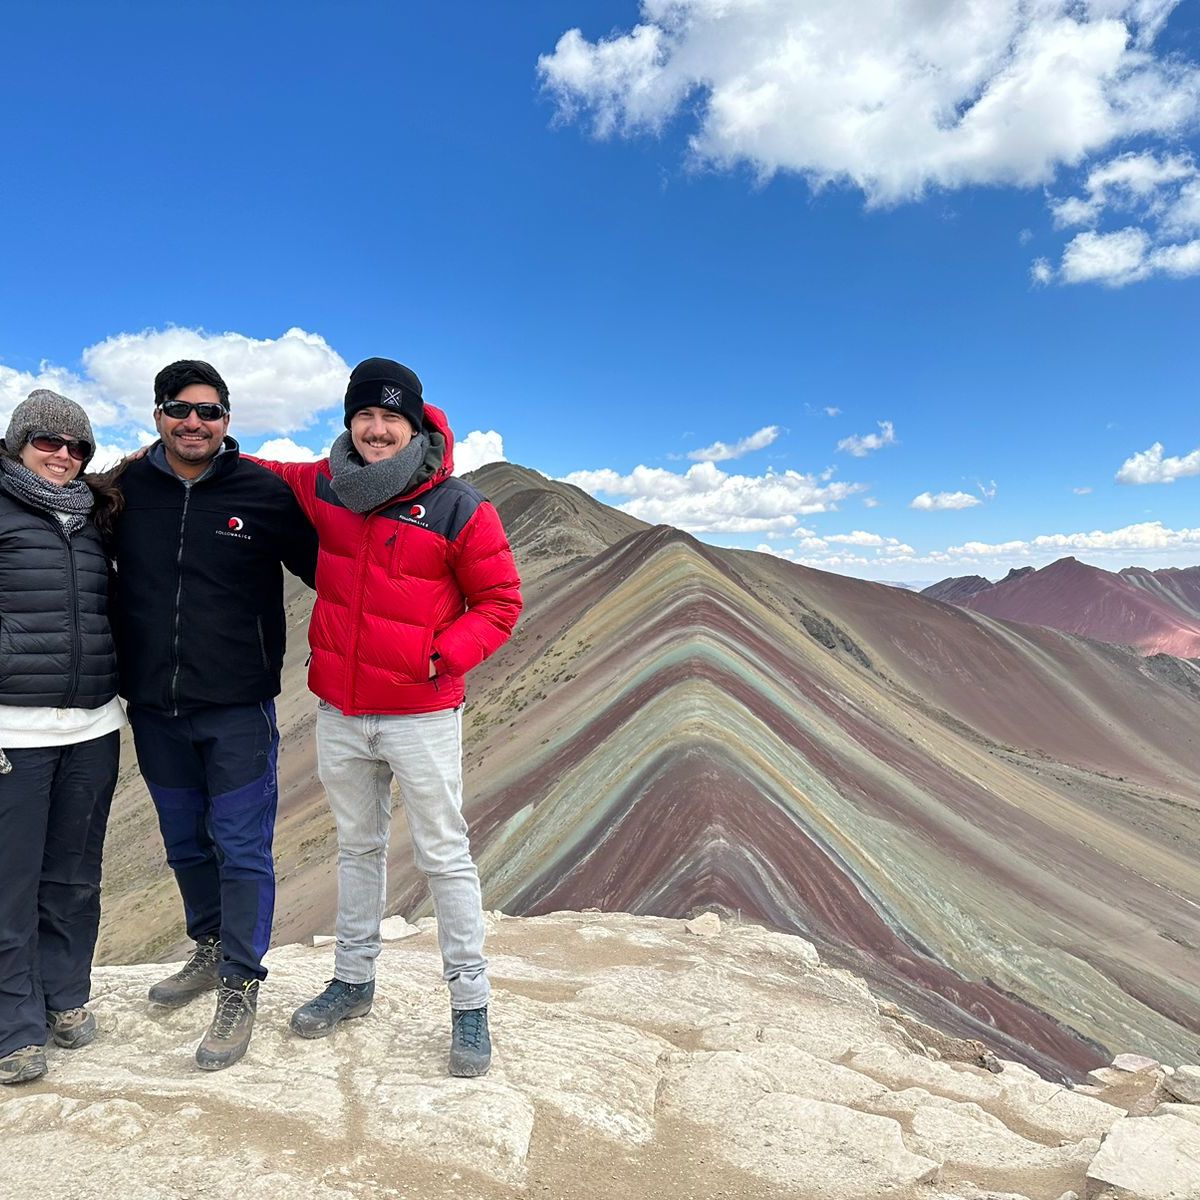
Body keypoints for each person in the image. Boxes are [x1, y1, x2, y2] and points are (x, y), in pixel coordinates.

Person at [255, 357, 521, 1076]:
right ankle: (352, 981)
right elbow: (261, 472)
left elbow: (500, 603)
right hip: (341, 711)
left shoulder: (458, 505)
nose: (376, 430)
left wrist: (439, 658)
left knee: (443, 855)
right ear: (350, 422)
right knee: (357, 848)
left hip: (420, 713)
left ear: (414, 426)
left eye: (390, 419)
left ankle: (470, 1008)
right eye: (365, 417)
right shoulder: (327, 484)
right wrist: (180, 447)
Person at [111, 360, 317, 1072]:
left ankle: (239, 983)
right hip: (154, 708)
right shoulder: (124, 489)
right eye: (178, 409)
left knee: (241, 845)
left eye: (209, 411)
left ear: (228, 420)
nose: (193, 422)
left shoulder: (260, 493)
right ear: (157, 415)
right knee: (183, 843)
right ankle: (206, 949)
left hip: (236, 708)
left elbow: (334, 570)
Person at [0, 389, 126, 1085]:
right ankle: (13, 1025)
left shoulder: (96, 517)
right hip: (11, 726)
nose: (63, 455)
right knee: (8, 884)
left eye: (77, 446)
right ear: (19, 442)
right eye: (48, 441)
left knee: (74, 878)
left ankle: (63, 998)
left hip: (93, 726)